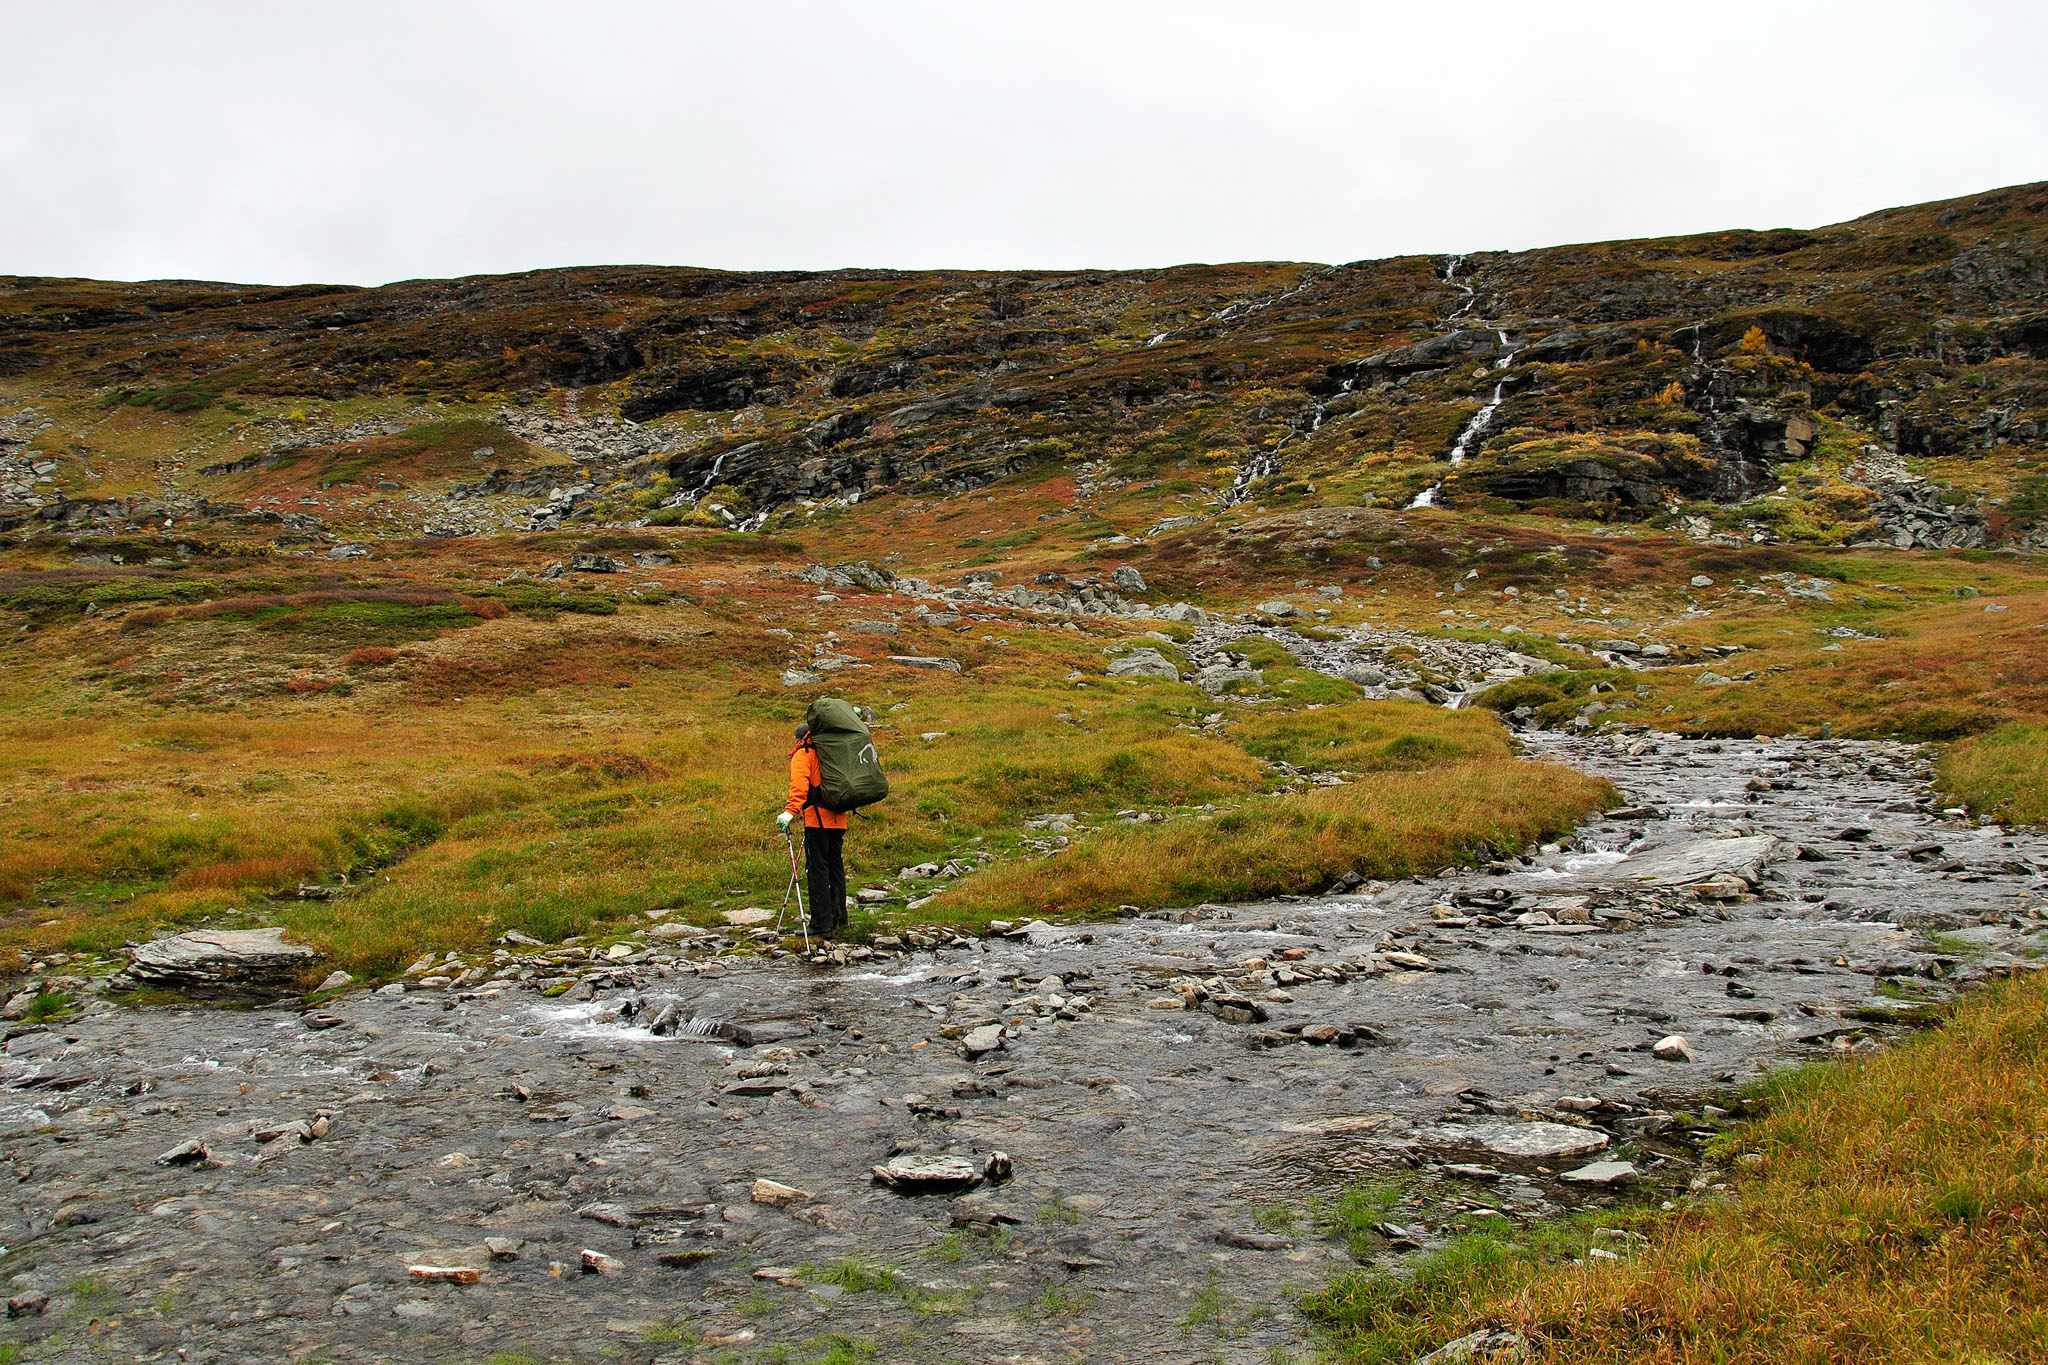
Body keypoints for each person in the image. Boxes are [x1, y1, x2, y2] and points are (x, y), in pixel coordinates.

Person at [778, 722, 847, 939]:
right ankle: (839, 920)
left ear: (799, 739)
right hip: (838, 818)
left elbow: (800, 787)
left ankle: (820, 925)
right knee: (835, 868)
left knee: (817, 870)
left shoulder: (804, 754)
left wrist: (790, 812)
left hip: (817, 820)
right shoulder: (831, 752)